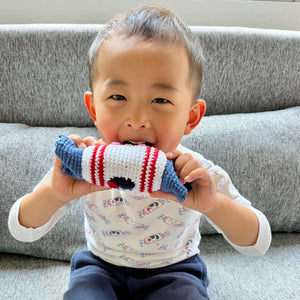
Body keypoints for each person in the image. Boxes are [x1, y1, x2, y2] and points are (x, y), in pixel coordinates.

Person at [8, 6, 271, 300]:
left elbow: (258, 242)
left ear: (191, 117)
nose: (137, 118)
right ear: (94, 108)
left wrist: (213, 205)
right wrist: (55, 194)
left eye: (160, 99)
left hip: (175, 270)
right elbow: (22, 229)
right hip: (100, 267)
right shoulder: (85, 164)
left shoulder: (196, 175)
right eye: (118, 97)